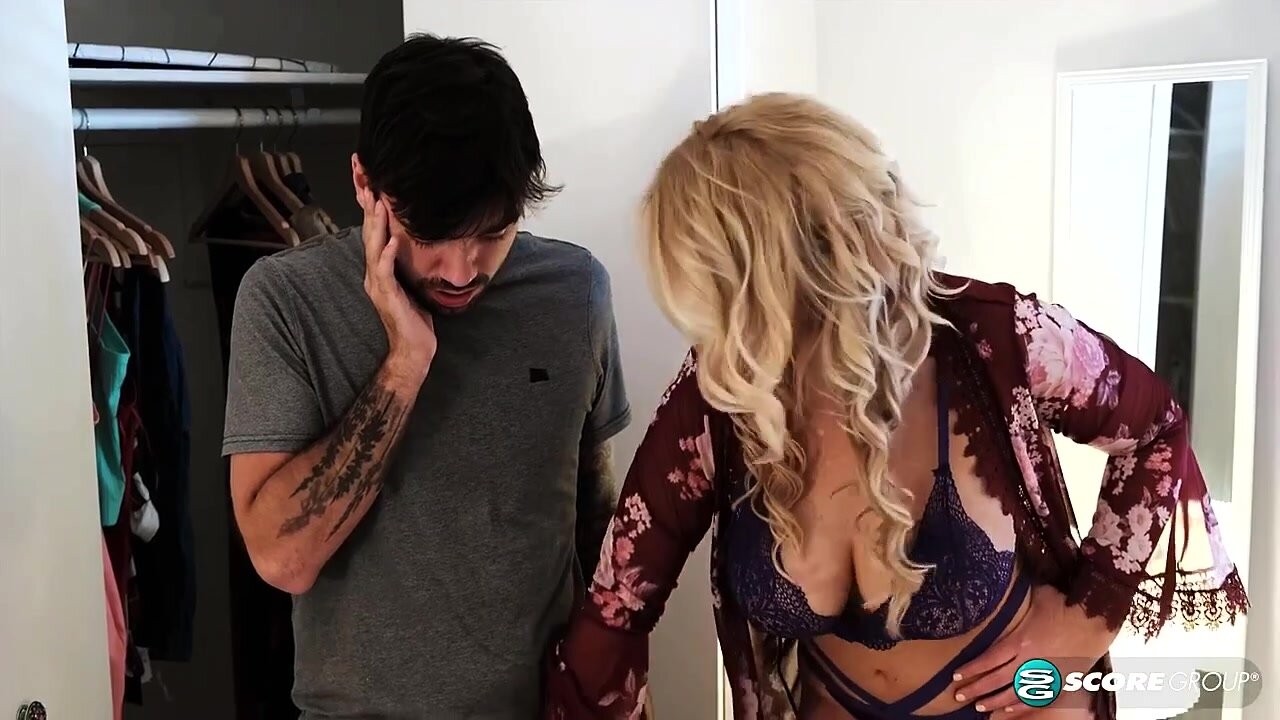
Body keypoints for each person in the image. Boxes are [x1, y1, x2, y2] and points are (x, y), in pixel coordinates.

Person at [543, 93, 1248, 720]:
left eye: (721, 298)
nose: (712, 329)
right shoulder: (726, 386)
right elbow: (617, 603)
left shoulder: (998, 338)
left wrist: (1091, 615)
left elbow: (1155, 427)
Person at [222, 34, 631, 718]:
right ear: (364, 183)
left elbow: (594, 515)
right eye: (430, 236)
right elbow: (283, 558)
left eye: (492, 233)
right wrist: (404, 363)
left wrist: (616, 682)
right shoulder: (286, 301)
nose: (461, 271)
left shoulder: (575, 292)